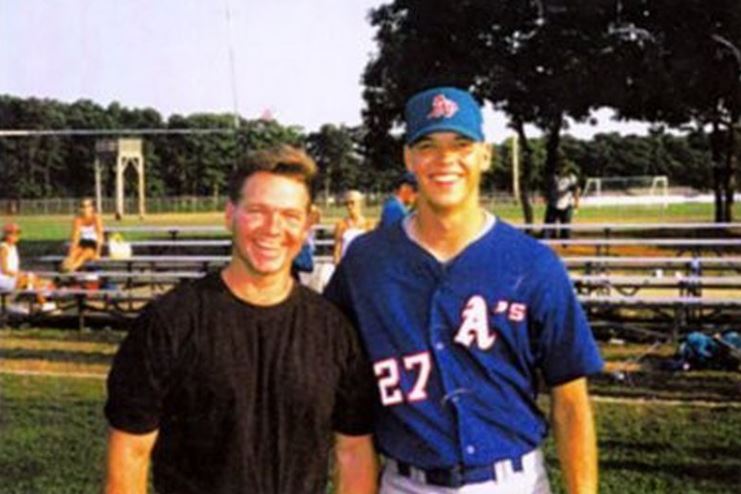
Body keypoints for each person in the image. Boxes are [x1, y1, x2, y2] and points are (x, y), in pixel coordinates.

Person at [325, 87, 603, 494]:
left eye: (461, 144)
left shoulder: (532, 263)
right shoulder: (366, 263)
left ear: (485, 155)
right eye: (428, 145)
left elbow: (571, 401)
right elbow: (324, 368)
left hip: (513, 482)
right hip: (406, 482)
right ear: (408, 158)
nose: (445, 160)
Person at [104, 145, 378, 494]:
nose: (272, 228)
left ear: (309, 224)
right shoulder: (169, 322)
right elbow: (130, 452)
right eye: (257, 211)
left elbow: (353, 452)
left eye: (290, 215)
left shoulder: (333, 330)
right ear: (229, 214)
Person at [0, 222, 56, 311]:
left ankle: (34, 302)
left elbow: (13, 268)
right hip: (3, 279)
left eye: (17, 233)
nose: (15, 236)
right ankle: (44, 304)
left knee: (42, 281)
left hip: (12, 277)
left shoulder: (13, 247)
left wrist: (21, 274)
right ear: (6, 235)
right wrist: (20, 274)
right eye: (12, 233)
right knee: (29, 279)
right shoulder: (3, 248)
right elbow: (4, 270)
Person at [543, 153, 580, 240]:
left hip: (566, 205)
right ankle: (545, 241)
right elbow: (547, 188)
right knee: (548, 228)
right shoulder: (553, 177)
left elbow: (577, 190)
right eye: (560, 166)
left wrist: (576, 204)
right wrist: (547, 197)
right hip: (553, 204)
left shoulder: (572, 178)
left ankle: (565, 243)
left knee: (566, 230)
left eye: (564, 166)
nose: (562, 168)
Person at [61, 197, 104, 272]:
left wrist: (98, 253)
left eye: (88, 206)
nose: (85, 209)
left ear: (92, 208)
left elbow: (100, 236)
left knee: (84, 255)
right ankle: (65, 267)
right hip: (83, 242)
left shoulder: (96, 217)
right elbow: (75, 238)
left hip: (95, 244)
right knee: (73, 254)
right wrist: (71, 253)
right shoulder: (78, 219)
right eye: (83, 206)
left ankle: (72, 268)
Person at [332, 189, 373, 264]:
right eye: (347, 204)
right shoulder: (341, 224)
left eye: (352, 203)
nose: (349, 206)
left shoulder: (369, 225)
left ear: (360, 204)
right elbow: (337, 250)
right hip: (346, 265)